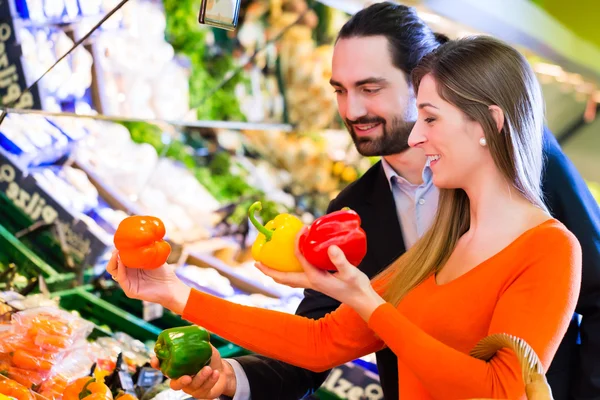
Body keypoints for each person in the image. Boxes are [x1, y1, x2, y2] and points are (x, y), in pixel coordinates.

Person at [109, 34, 584, 399]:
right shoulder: (444, 242)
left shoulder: (549, 249)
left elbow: (500, 390)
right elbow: (323, 341)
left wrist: (370, 305)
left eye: (431, 118)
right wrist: (173, 292)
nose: (416, 137)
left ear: (491, 123)